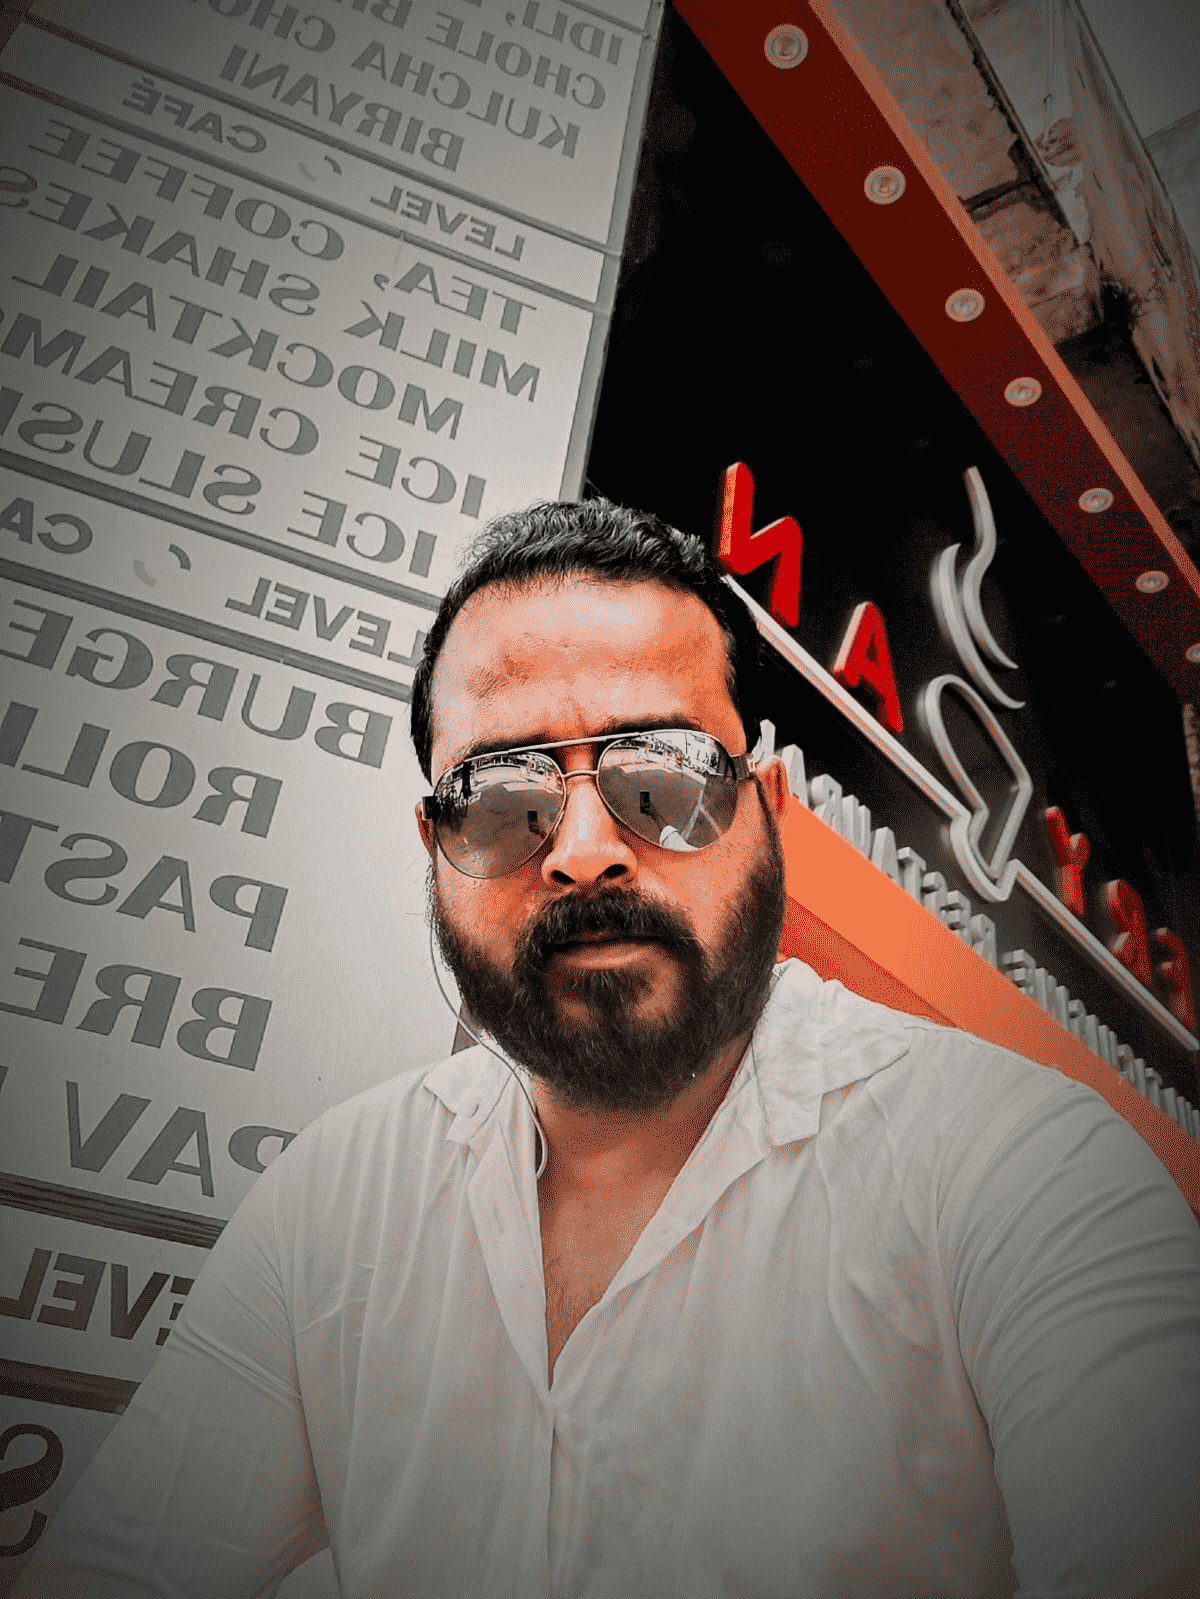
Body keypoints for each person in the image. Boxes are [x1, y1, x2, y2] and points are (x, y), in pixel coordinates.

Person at [15, 500, 1200, 1598]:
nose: (584, 849)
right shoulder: (337, 1205)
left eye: (664, 774)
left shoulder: (1021, 1170)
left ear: (768, 813)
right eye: (501, 795)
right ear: (435, 845)